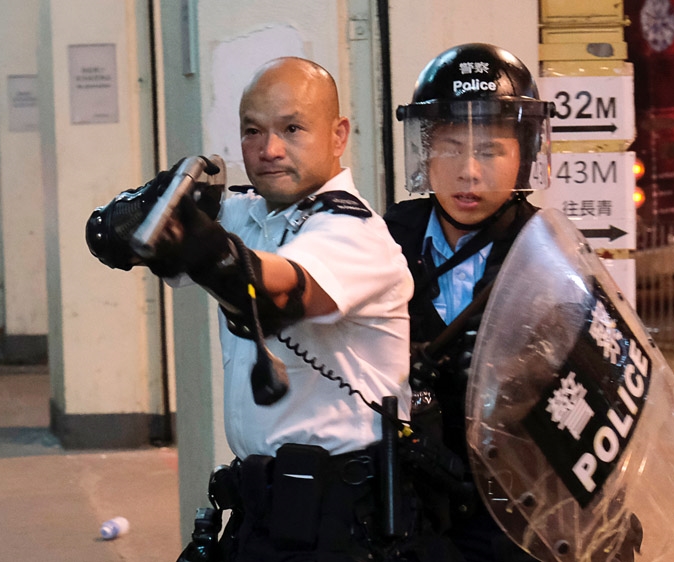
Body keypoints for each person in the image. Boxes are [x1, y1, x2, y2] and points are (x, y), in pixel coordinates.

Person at [87, 57, 425, 561]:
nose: (268, 150)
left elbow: (280, 294)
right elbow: (107, 238)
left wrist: (198, 242)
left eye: (292, 128)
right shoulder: (246, 214)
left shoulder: (356, 234)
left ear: (338, 135)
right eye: (252, 131)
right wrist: (137, 213)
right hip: (261, 508)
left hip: (343, 521)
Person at [385, 43, 555, 562]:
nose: (468, 172)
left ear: (523, 154)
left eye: (489, 151)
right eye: (451, 147)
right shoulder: (387, 239)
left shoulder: (547, 253)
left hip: (517, 506)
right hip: (412, 501)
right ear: (425, 152)